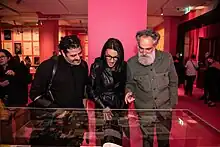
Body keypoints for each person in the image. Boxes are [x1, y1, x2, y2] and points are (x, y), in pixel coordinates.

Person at [124, 29, 178, 147]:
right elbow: (130, 83)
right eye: (141, 48)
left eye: (148, 49)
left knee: (164, 143)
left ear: (155, 45)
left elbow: (173, 82)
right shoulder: (131, 63)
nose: (144, 52)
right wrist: (128, 92)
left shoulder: (166, 58)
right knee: (147, 142)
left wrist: (172, 105)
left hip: (164, 110)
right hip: (144, 111)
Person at [86, 38, 127, 146]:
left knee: (117, 142)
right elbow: (90, 90)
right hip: (102, 109)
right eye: (108, 56)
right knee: (103, 141)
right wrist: (103, 106)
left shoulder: (124, 66)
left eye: (115, 57)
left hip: (118, 109)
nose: (112, 60)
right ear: (104, 54)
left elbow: (125, 88)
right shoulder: (97, 66)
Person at [30, 35, 88, 108]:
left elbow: (84, 90)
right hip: (56, 116)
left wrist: (83, 110)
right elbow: (35, 94)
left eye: (79, 53)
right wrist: (56, 110)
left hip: (77, 114)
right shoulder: (48, 66)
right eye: (73, 55)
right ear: (63, 53)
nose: (78, 58)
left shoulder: (83, 65)